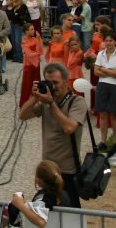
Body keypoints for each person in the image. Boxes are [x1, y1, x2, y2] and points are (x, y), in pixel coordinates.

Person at [19, 62, 88, 207]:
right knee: (48, 211)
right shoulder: (45, 102)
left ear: (66, 81)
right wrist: (34, 97)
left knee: (70, 211)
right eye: (49, 82)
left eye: (55, 82)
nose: (52, 87)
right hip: (48, 169)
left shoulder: (77, 102)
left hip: (67, 170)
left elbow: (69, 127)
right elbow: (23, 115)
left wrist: (51, 104)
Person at [9, 160, 69, 228]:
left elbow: (41, 222)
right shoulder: (64, 194)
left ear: (38, 180)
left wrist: (20, 205)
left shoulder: (44, 197)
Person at [94, 34, 116, 150]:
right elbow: (96, 72)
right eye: (106, 41)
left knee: (114, 115)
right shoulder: (101, 54)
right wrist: (111, 71)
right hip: (102, 85)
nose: (108, 43)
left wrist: (103, 69)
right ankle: (103, 141)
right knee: (102, 114)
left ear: (115, 42)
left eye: (111, 41)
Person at [20, 23, 43, 107]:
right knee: (28, 83)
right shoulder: (24, 41)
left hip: (36, 64)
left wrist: (39, 38)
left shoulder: (35, 39)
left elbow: (40, 49)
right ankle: (26, 101)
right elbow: (28, 53)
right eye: (31, 29)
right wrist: (37, 54)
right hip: (29, 64)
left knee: (36, 81)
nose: (34, 31)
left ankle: (36, 100)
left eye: (33, 29)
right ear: (26, 31)